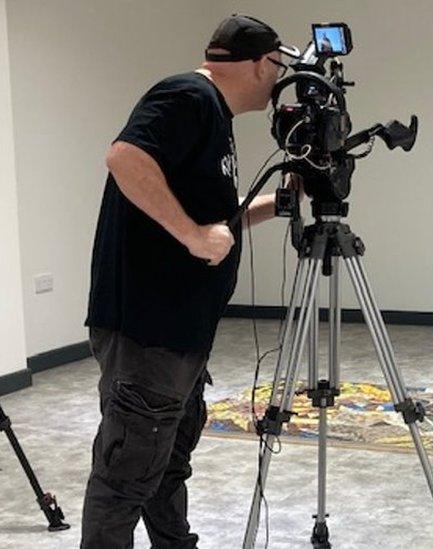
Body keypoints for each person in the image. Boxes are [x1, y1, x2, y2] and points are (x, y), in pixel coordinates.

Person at [81, 14, 295, 548]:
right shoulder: (188, 95)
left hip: (178, 331)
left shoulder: (213, 116)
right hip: (150, 328)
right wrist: (194, 238)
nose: (279, 79)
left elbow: (212, 219)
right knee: (127, 475)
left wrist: (281, 202)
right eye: (276, 65)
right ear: (252, 64)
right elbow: (125, 158)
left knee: (166, 464)